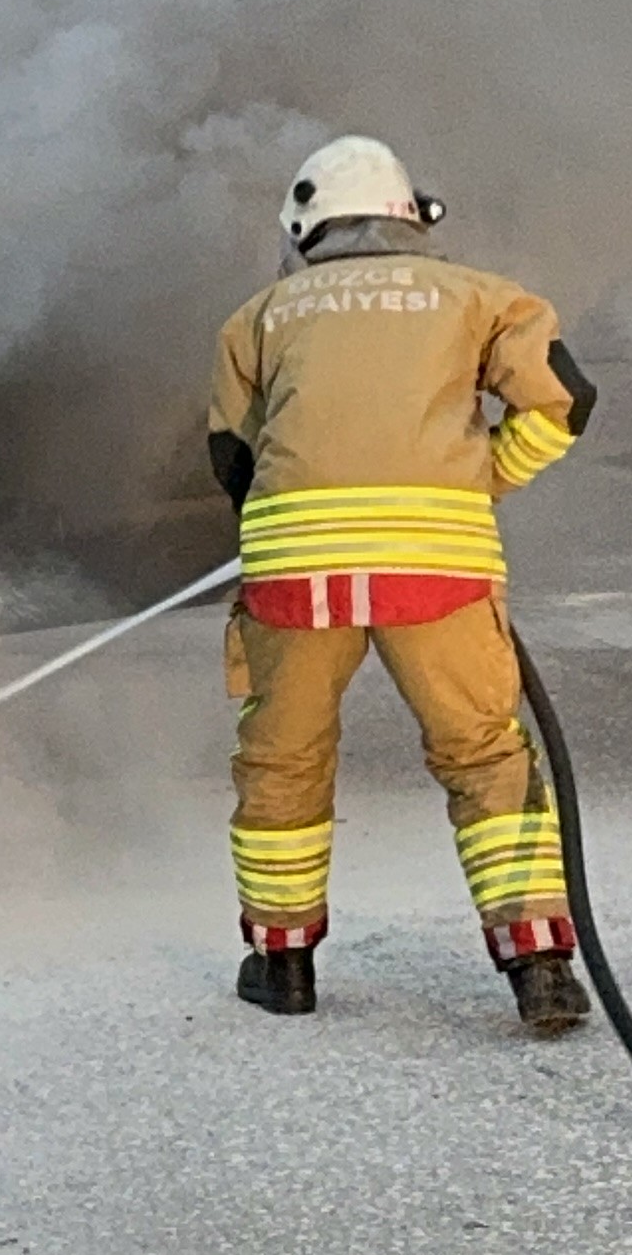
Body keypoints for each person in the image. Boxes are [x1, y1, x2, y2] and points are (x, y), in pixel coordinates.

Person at [204, 134, 602, 1033]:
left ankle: (284, 964)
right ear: (408, 219)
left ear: (307, 225)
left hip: (296, 579)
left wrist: (293, 530)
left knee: (283, 761)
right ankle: (539, 963)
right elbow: (565, 401)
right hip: (439, 570)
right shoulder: (482, 298)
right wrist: (488, 473)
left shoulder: (260, 316)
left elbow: (232, 456)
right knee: (485, 757)